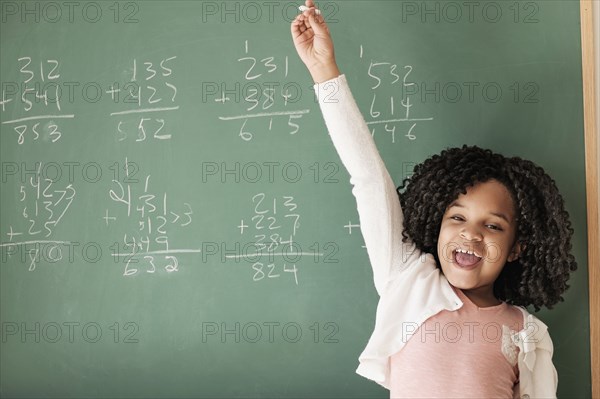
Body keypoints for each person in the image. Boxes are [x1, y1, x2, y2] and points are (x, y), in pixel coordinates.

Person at [290, 1, 577, 398]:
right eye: (458, 218)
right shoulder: (408, 280)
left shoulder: (526, 334)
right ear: (437, 224)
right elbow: (369, 178)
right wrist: (324, 70)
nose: (471, 235)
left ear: (516, 249)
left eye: (493, 225)